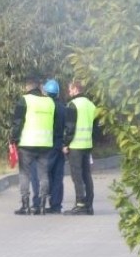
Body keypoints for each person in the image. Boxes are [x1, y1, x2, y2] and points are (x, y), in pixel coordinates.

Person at [10, 79, 59, 215]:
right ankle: (43, 205)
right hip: (45, 144)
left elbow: (17, 121)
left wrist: (13, 138)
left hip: (27, 143)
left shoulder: (24, 100)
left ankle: (25, 205)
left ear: (27, 87)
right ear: (39, 88)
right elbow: (54, 123)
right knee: (43, 174)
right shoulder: (50, 102)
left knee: (25, 174)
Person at [63, 81, 97, 215]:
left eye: (70, 89)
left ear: (75, 89)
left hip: (75, 146)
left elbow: (70, 127)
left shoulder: (73, 105)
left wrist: (66, 144)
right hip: (87, 145)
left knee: (77, 176)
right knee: (87, 175)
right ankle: (89, 205)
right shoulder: (91, 105)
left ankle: (80, 204)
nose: (69, 92)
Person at [43, 78, 67, 214]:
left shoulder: (46, 107)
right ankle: (56, 205)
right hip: (60, 144)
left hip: (48, 144)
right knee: (58, 175)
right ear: (57, 93)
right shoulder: (63, 107)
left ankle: (46, 200)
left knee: (46, 173)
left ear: (46, 92)